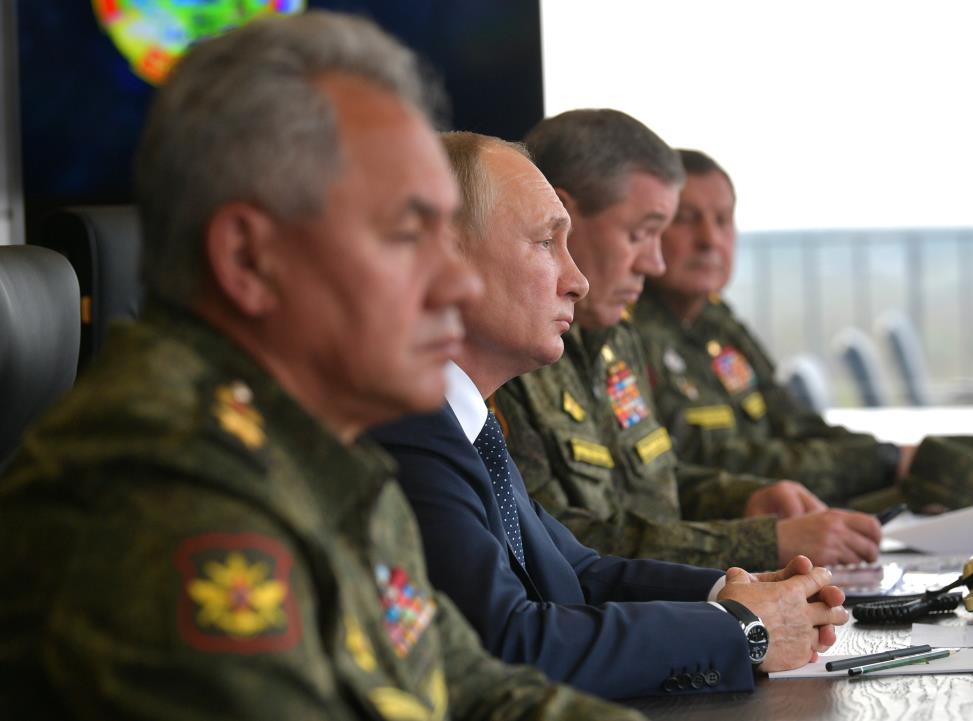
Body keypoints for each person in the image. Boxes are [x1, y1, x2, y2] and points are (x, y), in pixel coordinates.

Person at [0, 14, 643, 721]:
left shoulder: (320, 450)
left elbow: (468, 686)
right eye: (406, 235)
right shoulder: (165, 493)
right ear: (250, 260)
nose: (456, 284)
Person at [370, 131, 848, 700]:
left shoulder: (461, 424)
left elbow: (577, 572)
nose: (578, 281)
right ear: (444, 259)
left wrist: (736, 592)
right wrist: (739, 629)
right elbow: (509, 642)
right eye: (547, 243)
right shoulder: (404, 430)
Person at [494, 109, 882, 570]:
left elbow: (651, 486)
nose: (653, 263)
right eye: (640, 234)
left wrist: (748, 499)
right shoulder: (508, 358)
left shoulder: (613, 341)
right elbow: (561, 550)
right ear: (563, 219)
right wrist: (760, 542)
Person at [632, 149, 973, 514]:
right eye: (687, 220)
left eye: (723, 220)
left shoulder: (716, 323)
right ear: (650, 230)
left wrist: (891, 461)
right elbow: (698, 462)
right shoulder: (628, 332)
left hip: (794, 510)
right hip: (741, 532)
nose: (710, 239)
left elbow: (796, 423)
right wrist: (882, 464)